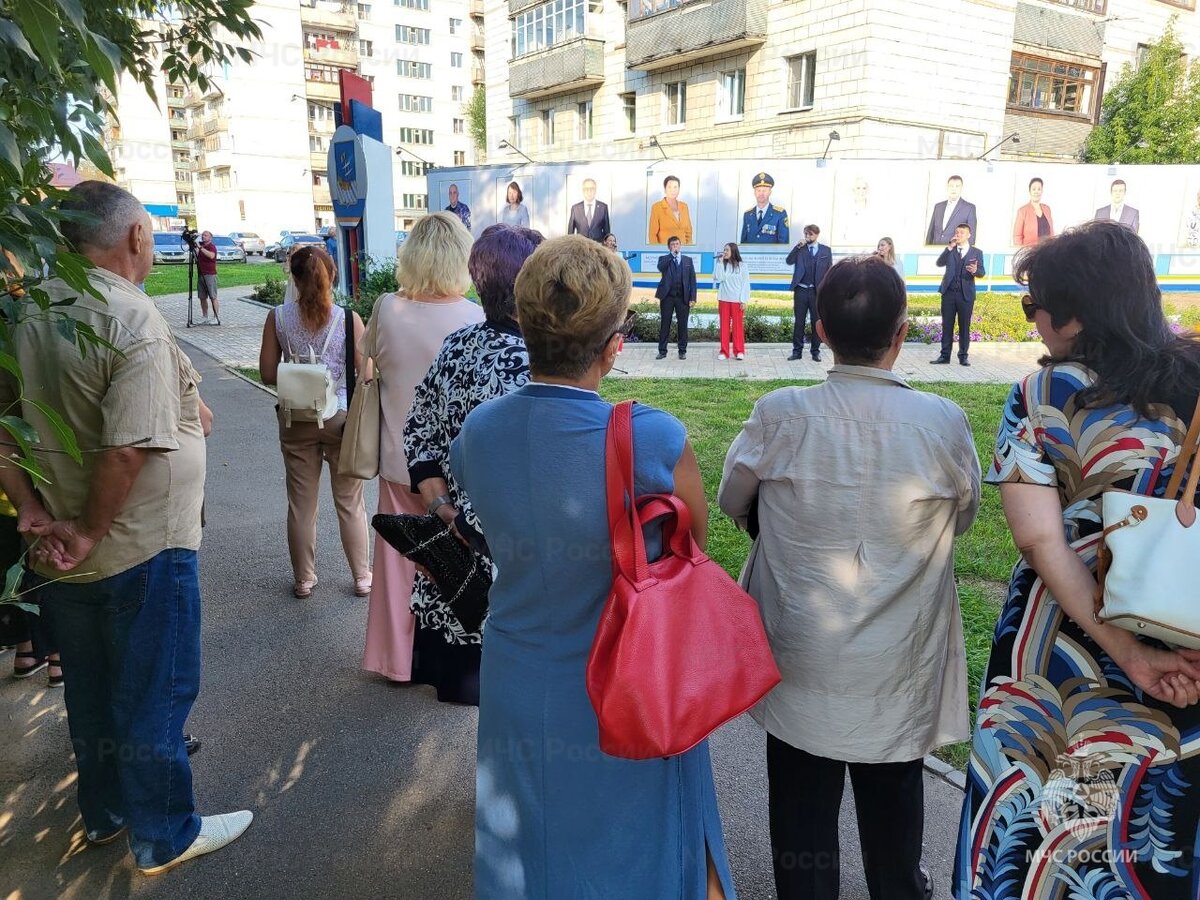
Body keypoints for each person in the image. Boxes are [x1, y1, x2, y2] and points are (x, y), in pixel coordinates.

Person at [451, 234, 735, 900]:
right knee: (638, 852)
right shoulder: (652, 438)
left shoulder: (478, 434)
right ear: (612, 347)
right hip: (627, 680)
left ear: (524, 324)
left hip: (519, 675)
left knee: (531, 851)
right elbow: (694, 537)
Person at [0, 180, 249, 875]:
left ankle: (106, 814)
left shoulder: (31, 314)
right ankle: (164, 831)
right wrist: (85, 526)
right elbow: (128, 449)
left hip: (60, 553)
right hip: (140, 544)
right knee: (155, 692)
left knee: (90, 691)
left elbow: (5, 430)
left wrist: (30, 509)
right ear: (137, 237)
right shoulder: (128, 316)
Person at [719, 254, 979, 900]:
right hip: (897, 660)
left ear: (822, 331)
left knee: (802, 814)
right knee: (894, 811)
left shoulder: (781, 413)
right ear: (901, 332)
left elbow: (731, 499)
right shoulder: (941, 421)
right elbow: (966, 514)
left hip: (803, 650)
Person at [954, 221, 1200, 897]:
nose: (1032, 322)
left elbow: (1038, 540)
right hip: (1185, 637)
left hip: (1066, 646)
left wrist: (1123, 652)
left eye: (1034, 306)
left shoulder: (1046, 393)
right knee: (1152, 827)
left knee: (1047, 829)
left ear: (1075, 313)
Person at [396, 224, 541, 698]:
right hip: (508, 572)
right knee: (511, 707)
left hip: (454, 558)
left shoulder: (459, 345)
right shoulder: (533, 362)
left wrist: (441, 509)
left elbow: (418, 435)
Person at [362, 213, 486, 687]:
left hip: (398, 458)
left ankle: (395, 662)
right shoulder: (473, 316)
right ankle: (449, 660)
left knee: (396, 562)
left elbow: (368, 364)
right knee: (452, 560)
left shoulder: (387, 309)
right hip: (453, 467)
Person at [258, 245, 370, 600]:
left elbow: (265, 372)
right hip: (339, 418)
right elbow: (366, 373)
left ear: (293, 276)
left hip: (296, 420)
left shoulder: (277, 317)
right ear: (332, 276)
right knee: (350, 502)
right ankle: (362, 576)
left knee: (301, 505)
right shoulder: (348, 319)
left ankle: (304, 579)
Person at [931, 222, 984, 367]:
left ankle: (963, 356)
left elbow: (982, 272)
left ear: (969, 235)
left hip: (965, 295)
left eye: (961, 232)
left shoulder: (977, 252)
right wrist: (949, 248)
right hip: (948, 293)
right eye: (957, 232)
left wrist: (975, 271)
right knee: (947, 325)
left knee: (964, 326)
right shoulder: (951, 250)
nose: (958, 235)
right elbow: (939, 263)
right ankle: (944, 356)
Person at [785, 225, 832, 362]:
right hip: (801, 290)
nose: (807, 237)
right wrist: (797, 246)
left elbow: (829, 271)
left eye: (810, 235)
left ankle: (815, 352)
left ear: (817, 235)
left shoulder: (826, 250)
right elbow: (789, 261)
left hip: (816, 292)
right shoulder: (800, 249)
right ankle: (797, 351)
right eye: (806, 234)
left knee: (816, 322)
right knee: (799, 322)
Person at [654, 235, 696, 360]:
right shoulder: (664, 259)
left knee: (682, 325)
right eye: (672, 245)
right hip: (667, 297)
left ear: (680, 245)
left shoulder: (688, 260)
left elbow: (692, 280)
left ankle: (682, 351)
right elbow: (660, 268)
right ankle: (662, 351)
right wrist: (671, 256)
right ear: (669, 247)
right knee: (665, 324)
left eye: (677, 244)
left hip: (683, 298)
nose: (675, 246)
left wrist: (692, 297)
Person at [714, 242, 750, 360]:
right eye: (724, 250)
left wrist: (744, 300)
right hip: (724, 299)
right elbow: (719, 278)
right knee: (724, 326)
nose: (724, 252)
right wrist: (719, 263)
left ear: (733, 251)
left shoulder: (742, 266)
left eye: (727, 250)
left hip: (737, 301)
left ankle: (739, 351)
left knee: (737, 327)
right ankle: (724, 352)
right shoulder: (722, 264)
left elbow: (746, 284)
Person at [926, 175, 978, 245]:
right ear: (947, 187)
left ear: (961, 188)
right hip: (936, 251)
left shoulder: (969, 208)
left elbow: (971, 238)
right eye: (951, 186)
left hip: (955, 253)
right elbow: (931, 233)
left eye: (957, 186)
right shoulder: (938, 207)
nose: (954, 189)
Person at [741, 172, 789, 244]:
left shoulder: (780, 214)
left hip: (771, 255)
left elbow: (784, 242)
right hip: (751, 255)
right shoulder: (747, 214)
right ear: (754, 192)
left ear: (770, 192)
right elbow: (743, 242)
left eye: (764, 190)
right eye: (758, 190)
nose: (761, 194)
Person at [648, 174, 693, 245]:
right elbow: (652, 234)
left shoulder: (684, 206)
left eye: (675, 187)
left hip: (682, 251)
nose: (673, 190)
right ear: (665, 189)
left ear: (679, 189)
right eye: (669, 187)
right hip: (664, 252)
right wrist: (657, 251)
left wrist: (688, 248)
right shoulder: (657, 207)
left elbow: (688, 231)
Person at [1012, 176, 1054, 247]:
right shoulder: (1022, 211)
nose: (1036, 192)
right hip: (1030, 253)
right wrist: (1022, 253)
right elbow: (1017, 236)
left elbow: (1051, 233)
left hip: (1047, 251)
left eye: (1039, 189)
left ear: (1042, 191)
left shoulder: (1047, 209)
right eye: (1034, 189)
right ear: (1029, 191)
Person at [567, 178, 610, 242]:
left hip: (598, 248)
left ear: (595, 190)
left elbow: (607, 232)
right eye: (586, 189)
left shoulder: (603, 207)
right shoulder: (575, 208)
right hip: (581, 248)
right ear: (582, 191)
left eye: (592, 189)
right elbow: (570, 234)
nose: (589, 191)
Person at [196, 229, 219, 324]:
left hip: (210, 274)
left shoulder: (211, 247)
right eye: (202, 235)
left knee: (213, 296)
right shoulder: (201, 247)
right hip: (201, 274)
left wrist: (200, 248)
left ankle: (216, 317)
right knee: (202, 297)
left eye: (205, 235)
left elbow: (211, 256)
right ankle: (205, 316)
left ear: (210, 237)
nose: (203, 236)